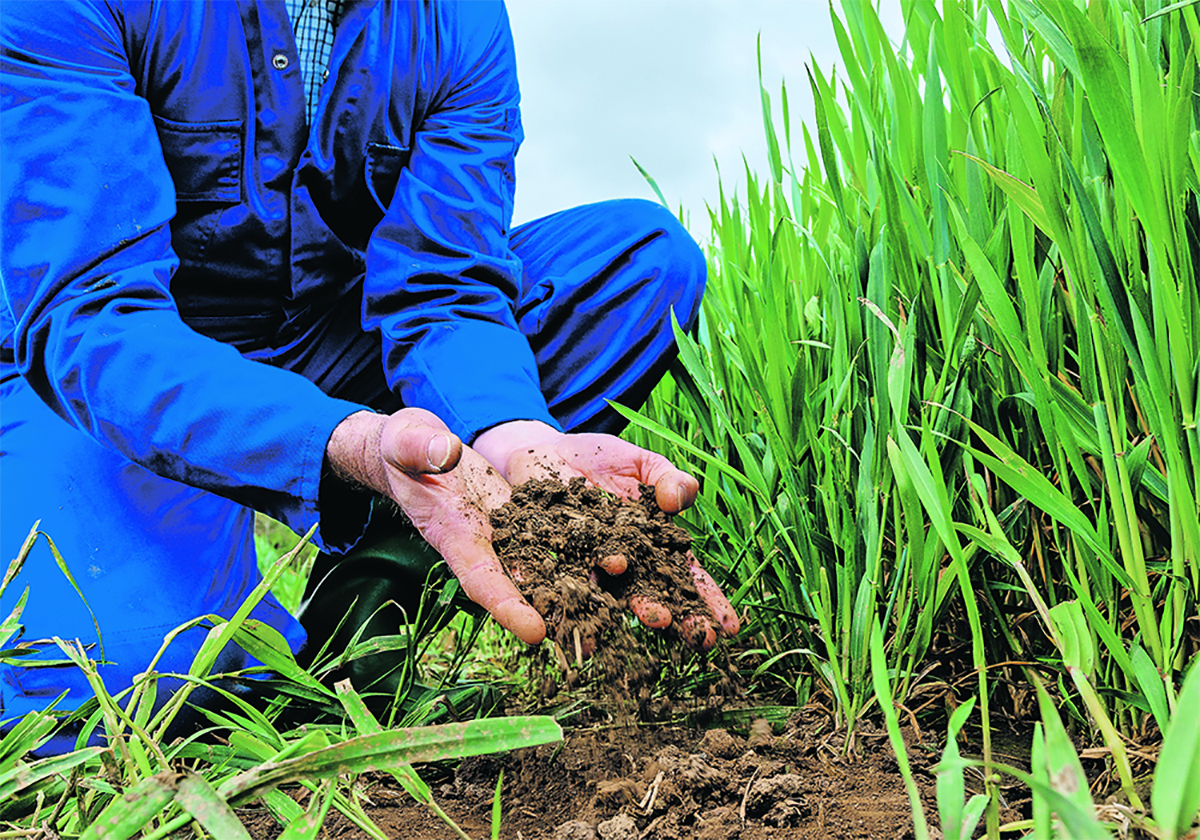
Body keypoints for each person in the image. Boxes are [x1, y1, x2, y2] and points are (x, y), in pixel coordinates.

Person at [0, 0, 739, 753]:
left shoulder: (459, 20)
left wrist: (518, 441)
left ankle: (363, 613)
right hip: (112, 365)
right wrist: (344, 439)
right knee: (125, 689)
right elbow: (91, 315)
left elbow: (446, 285)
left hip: (324, 333)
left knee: (636, 265)